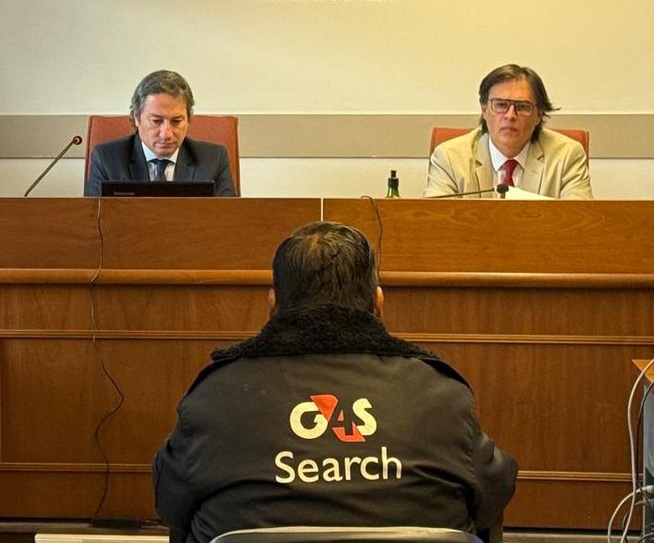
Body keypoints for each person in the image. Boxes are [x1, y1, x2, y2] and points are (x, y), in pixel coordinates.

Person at [153, 222, 516, 542]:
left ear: (273, 303)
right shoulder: (443, 395)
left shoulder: (215, 395)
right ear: (378, 302)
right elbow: (492, 496)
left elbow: (171, 504)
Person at [425, 64, 592, 199]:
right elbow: (436, 223)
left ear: (538, 115)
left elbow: (579, 223)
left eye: (522, 107)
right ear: (484, 109)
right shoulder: (450, 158)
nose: (510, 115)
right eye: (501, 105)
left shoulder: (567, 156)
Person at [84, 69, 236, 197]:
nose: (166, 134)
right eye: (156, 121)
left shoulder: (213, 160)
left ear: (189, 119)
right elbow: (93, 219)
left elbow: (228, 218)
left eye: (176, 121)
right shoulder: (107, 160)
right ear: (137, 118)